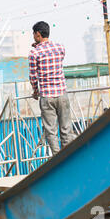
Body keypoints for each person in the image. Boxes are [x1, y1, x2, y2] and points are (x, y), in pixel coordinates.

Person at [28, 21, 74, 155]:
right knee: (66, 128)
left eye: (33, 34)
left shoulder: (34, 53)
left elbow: (33, 77)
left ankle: (57, 158)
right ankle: (69, 157)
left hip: (47, 96)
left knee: (51, 131)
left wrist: (36, 92)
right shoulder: (60, 47)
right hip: (62, 94)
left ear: (37, 34)